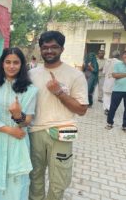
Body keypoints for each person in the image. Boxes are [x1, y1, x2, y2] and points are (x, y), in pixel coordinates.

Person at [29, 31, 88, 200]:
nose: (49, 51)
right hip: (35, 132)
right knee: (35, 176)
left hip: (64, 131)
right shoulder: (31, 74)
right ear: (40, 49)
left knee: (59, 180)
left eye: (54, 47)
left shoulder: (75, 75)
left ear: (62, 48)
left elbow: (82, 110)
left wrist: (59, 93)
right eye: (45, 47)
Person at [0, 47, 37, 200]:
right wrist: (9, 130)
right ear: (2, 64)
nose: (11, 66)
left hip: (18, 141)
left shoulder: (30, 90)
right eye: (8, 62)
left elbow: (28, 120)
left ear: (22, 65)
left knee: (16, 184)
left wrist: (18, 116)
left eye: (16, 62)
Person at [105, 50, 126, 131]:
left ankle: (124, 125)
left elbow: (118, 75)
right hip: (117, 90)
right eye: (125, 55)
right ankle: (109, 123)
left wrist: (121, 74)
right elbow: (114, 75)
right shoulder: (118, 64)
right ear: (123, 56)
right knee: (113, 107)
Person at [102, 50, 121, 115]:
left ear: (112, 55)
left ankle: (106, 109)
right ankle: (111, 108)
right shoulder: (121, 63)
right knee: (112, 96)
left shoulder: (108, 61)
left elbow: (104, 72)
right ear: (119, 56)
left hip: (107, 81)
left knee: (106, 96)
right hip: (116, 82)